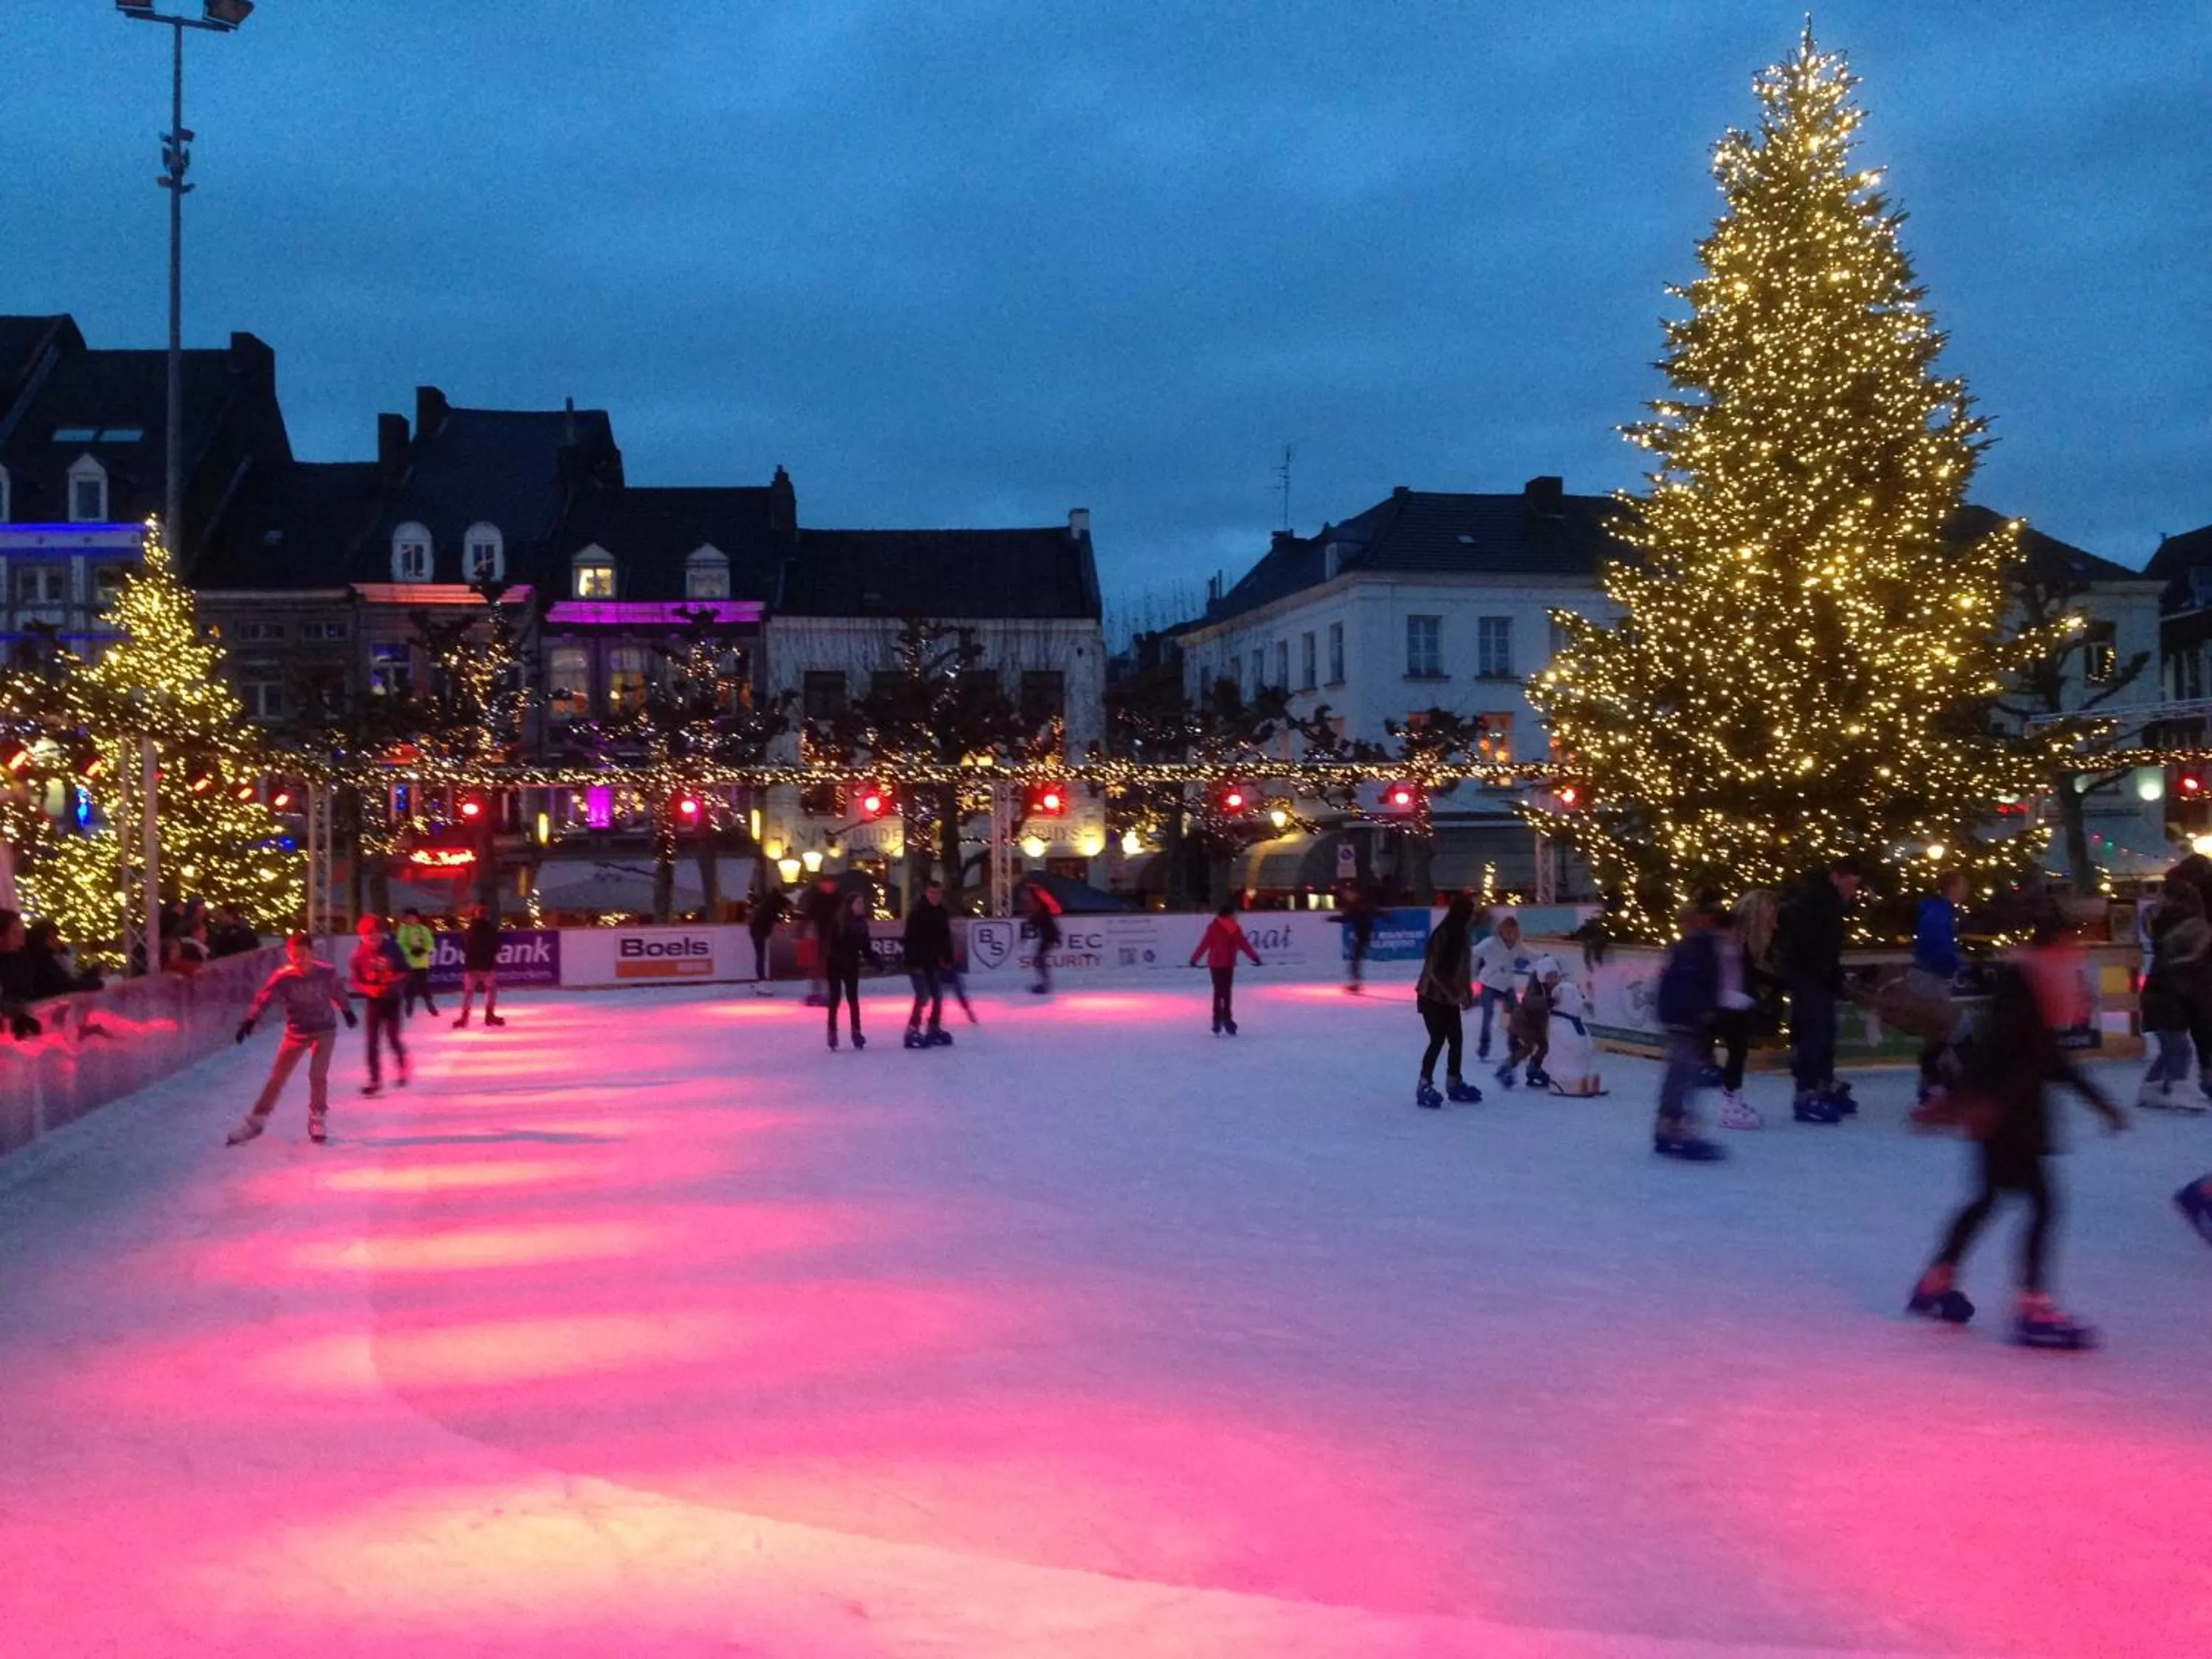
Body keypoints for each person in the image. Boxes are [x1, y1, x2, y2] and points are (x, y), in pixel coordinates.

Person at [1908, 920, 2128, 1349]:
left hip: (2005, 1113)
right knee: (2043, 1204)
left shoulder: (2032, 990)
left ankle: (1935, 1283)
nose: (2075, 960)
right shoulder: (2025, 991)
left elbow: (2047, 1060)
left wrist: (2098, 1100)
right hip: (2008, 1117)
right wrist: (1978, 1104)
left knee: (1988, 1199)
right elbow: (2004, 1054)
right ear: (2052, 951)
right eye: (2070, 950)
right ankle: (2034, 1307)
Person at [227, 934, 357, 1146]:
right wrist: (249, 1020)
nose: (299, 960)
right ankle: (257, 1119)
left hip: (325, 1030)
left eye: (303, 955)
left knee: (318, 1076)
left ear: (311, 953)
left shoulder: (325, 972)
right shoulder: (283, 977)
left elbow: (337, 991)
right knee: (277, 1077)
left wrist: (347, 1011)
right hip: (296, 1033)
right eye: (294, 956)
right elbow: (264, 997)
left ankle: (318, 1118)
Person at [1776, 857, 1860, 1124]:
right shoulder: (1816, 903)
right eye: (1850, 884)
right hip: (1809, 978)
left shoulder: (1829, 903)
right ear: (1837, 877)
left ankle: (1821, 1084)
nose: (1853, 891)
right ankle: (1807, 1092)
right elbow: (1810, 946)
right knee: (1814, 1033)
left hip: (1817, 978)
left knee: (1824, 1032)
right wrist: (1821, 973)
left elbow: (1827, 948)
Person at [1653, 904, 1728, 1160]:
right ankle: (1672, 1126)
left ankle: (1669, 1124)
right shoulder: (1696, 949)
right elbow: (1692, 984)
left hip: (1682, 1017)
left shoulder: (1692, 947)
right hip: (1684, 1018)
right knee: (1682, 1073)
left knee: (1683, 1072)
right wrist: (1703, 1011)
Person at [2138, 879, 2210, 1113]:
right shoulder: (2188, 946)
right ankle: (2177, 1089)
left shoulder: (2164, 931)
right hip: (2169, 1003)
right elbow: (2187, 983)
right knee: (2180, 1049)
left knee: (2170, 1048)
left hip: (2157, 999)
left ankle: (2152, 1087)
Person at [1413, 894, 1481, 1109]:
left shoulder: (1463, 935)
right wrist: (1454, 994)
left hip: (1449, 999)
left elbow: (1463, 969)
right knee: (1438, 1039)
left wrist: (1466, 991)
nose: (1472, 917)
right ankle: (1424, 1083)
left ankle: (1454, 1081)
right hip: (1431, 996)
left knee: (1457, 1040)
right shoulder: (1443, 935)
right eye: (1470, 913)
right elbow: (1435, 970)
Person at [1910, 871, 1969, 1107]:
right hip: (1930, 977)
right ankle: (1934, 1083)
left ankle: (1935, 1082)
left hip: (1933, 975)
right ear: (1952, 887)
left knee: (1941, 1031)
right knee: (1942, 1030)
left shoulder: (1941, 911)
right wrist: (1951, 964)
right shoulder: (1939, 913)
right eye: (1963, 885)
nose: (1966, 891)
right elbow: (1937, 947)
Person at [348, 914, 408, 1095]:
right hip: (374, 1001)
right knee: (372, 1041)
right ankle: (374, 1079)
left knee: (392, 1038)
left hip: (392, 1000)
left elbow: (406, 972)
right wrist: (367, 989)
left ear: (381, 932)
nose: (372, 938)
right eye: (367, 935)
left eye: (375, 933)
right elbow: (354, 980)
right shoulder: (358, 954)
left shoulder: (393, 948)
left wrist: (393, 982)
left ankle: (402, 1067)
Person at [1713, 908, 1762, 1130]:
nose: (1740, 934)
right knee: (1736, 1052)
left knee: (1739, 1052)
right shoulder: (1720, 952)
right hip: (1725, 1010)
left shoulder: (1740, 952)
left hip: (1738, 1008)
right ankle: (1729, 1104)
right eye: (1736, 930)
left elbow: (1749, 977)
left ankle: (1734, 1099)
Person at [1189, 900, 1262, 1034]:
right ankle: (1226, 1019)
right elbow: (1244, 944)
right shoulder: (1234, 928)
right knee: (1226, 993)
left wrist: (1194, 959)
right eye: (1235, 913)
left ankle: (1218, 1019)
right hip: (1227, 963)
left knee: (1219, 992)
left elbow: (1204, 944)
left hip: (1216, 963)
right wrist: (1255, 957)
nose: (1237, 916)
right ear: (1229, 914)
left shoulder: (1214, 926)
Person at [902, 878, 956, 1047]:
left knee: (938, 995)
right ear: (926, 893)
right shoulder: (917, 913)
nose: (935, 896)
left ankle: (933, 1026)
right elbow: (910, 940)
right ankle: (912, 1029)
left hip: (932, 962)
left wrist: (948, 958)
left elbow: (945, 938)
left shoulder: (941, 913)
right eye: (932, 893)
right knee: (922, 996)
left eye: (938, 893)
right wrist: (914, 962)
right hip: (917, 962)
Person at [1470, 912, 1528, 1065]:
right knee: (1488, 1015)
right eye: (1507, 931)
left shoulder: (1517, 945)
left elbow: (1530, 953)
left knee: (1517, 1014)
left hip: (1506, 985)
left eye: (1513, 932)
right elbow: (1475, 951)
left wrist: (1545, 956)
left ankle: (1513, 1043)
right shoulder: (1491, 942)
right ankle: (1484, 1046)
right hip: (1489, 984)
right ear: (1501, 931)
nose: (1510, 935)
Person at [825, 888, 872, 1051]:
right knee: (835, 998)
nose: (861, 906)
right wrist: (841, 959)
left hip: (851, 964)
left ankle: (856, 1031)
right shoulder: (839, 921)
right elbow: (832, 945)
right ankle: (832, 1030)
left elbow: (866, 948)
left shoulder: (862, 924)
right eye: (858, 903)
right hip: (835, 964)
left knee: (853, 999)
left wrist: (875, 961)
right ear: (850, 905)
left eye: (862, 903)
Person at [452, 902, 506, 1028]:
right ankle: (489, 1015)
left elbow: (463, 947)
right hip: (487, 965)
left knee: (468, 992)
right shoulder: (491, 930)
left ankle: (464, 1018)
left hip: (471, 965)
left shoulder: (469, 930)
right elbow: (497, 947)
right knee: (490, 990)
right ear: (486, 917)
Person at [1504, 956, 1554, 1088]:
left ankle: (1534, 1069)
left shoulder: (1552, 988)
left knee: (1544, 1046)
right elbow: (1529, 1000)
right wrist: (1546, 1002)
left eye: (1555, 976)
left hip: (1537, 1024)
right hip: (1522, 1022)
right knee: (1527, 1047)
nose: (1553, 980)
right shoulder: (1536, 985)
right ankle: (1505, 1068)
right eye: (1550, 976)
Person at [21, 918, 101, 1001]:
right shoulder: (42, 960)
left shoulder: (48, 957)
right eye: (52, 938)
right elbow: (66, 985)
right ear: (41, 939)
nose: (56, 941)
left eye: (56, 938)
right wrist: (102, 983)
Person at [799, 874, 841, 1006]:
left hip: (836, 937)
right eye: (824, 884)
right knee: (818, 966)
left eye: (829, 884)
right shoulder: (817, 899)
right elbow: (809, 915)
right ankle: (817, 992)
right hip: (821, 936)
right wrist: (802, 928)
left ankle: (831, 993)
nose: (827, 886)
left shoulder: (839, 900)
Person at [0, 909, 41, 1040]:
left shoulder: (21, 957)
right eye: (15, 934)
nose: (21, 942)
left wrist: (18, 1011)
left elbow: (24, 991)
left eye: (22, 935)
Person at [394, 908, 439, 1018]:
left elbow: (430, 943)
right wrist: (411, 951)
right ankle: (409, 1005)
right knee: (410, 986)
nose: (410, 920)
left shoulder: (423, 929)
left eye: (412, 917)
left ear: (417, 918)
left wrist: (425, 950)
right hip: (409, 964)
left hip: (422, 963)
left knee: (424, 985)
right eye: (407, 918)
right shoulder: (403, 930)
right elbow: (400, 944)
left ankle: (430, 1004)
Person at [748, 886, 789, 995]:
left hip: (757, 931)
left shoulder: (769, 903)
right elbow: (772, 916)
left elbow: (772, 916)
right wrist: (781, 922)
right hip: (758, 931)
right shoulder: (771, 906)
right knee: (761, 956)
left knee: (760, 956)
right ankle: (761, 982)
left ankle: (761, 981)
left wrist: (780, 920)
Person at [1026, 882, 1062, 995]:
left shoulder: (1043, 909)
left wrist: (1037, 891)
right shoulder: (1039, 912)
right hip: (1048, 938)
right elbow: (1034, 923)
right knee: (1039, 960)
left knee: (1040, 960)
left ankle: (1045, 985)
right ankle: (1045, 984)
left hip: (1050, 937)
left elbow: (1051, 906)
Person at [1340, 880, 1376, 993]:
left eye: (1348, 894)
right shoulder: (1356, 906)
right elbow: (1347, 918)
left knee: (1355, 962)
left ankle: (1356, 985)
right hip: (1361, 937)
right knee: (1355, 962)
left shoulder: (1359, 905)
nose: (1346, 896)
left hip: (1363, 937)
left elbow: (1372, 913)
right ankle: (1356, 984)